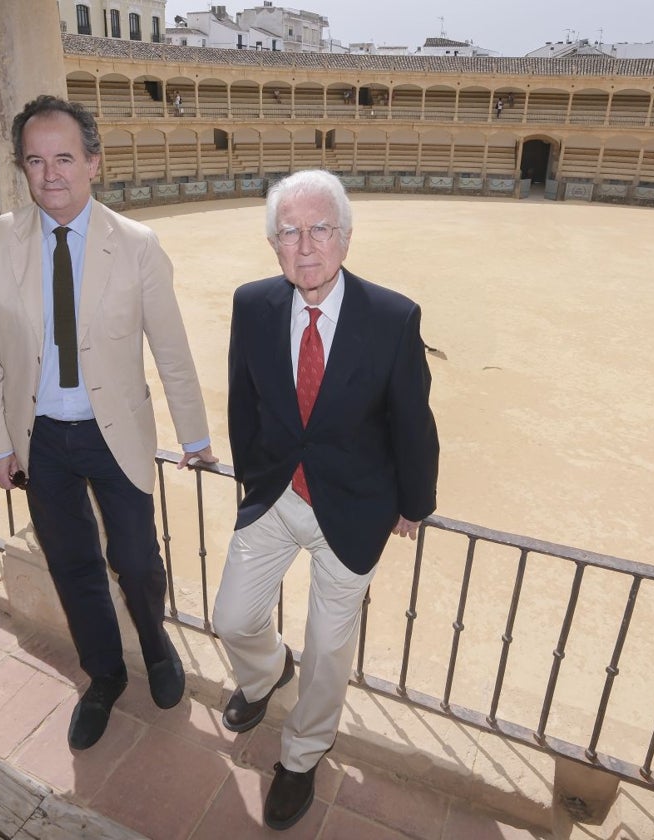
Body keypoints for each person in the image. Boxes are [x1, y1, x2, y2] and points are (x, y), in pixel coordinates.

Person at [0, 95, 217, 751]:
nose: (51, 174)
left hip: (115, 433)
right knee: (72, 565)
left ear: (93, 163)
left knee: (136, 560)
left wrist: (194, 435)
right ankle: (102, 674)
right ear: (22, 168)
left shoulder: (136, 245)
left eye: (65, 158)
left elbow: (171, 345)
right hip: (40, 439)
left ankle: (157, 648)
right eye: (36, 161)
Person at [213, 169, 439, 831]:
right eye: (290, 232)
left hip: (356, 506)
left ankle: (303, 754)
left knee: (330, 647)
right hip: (278, 494)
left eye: (320, 229)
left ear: (343, 238)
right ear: (273, 243)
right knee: (232, 616)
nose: (306, 245)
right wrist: (256, 479)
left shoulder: (392, 317)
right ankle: (263, 674)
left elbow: (412, 420)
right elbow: (242, 400)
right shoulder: (252, 304)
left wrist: (414, 502)